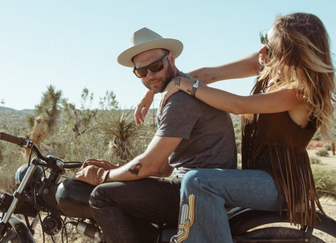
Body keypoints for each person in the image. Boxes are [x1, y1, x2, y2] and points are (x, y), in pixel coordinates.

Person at [140, 13, 336, 243]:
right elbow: (209, 74)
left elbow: (237, 105)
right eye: (263, 40)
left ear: (290, 49)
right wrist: (153, 90)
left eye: (269, 44)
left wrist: (182, 84)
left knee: (198, 181)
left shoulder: (298, 94)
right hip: (256, 178)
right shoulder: (268, 66)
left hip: (280, 185)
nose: (262, 50)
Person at [72, 27, 237, 243]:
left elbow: (150, 166)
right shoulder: (177, 92)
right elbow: (163, 167)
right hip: (193, 185)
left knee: (102, 196)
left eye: (156, 66)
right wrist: (117, 171)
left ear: (171, 59)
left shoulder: (180, 101)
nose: (150, 75)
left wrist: (102, 177)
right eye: (142, 71)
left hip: (198, 192)